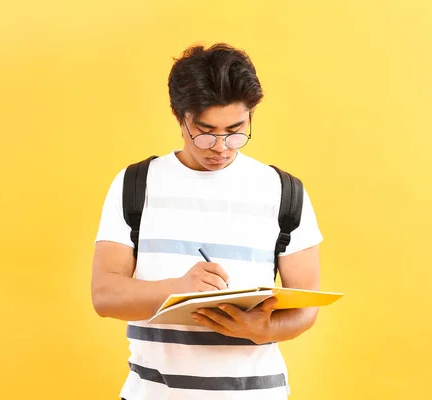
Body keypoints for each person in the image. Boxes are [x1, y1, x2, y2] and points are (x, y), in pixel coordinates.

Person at [91, 43, 324, 400]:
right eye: (204, 131)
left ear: (251, 116)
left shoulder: (284, 191)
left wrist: (264, 328)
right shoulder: (135, 184)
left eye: (235, 129)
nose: (220, 146)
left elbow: (305, 307)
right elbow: (104, 296)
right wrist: (177, 289)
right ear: (179, 117)